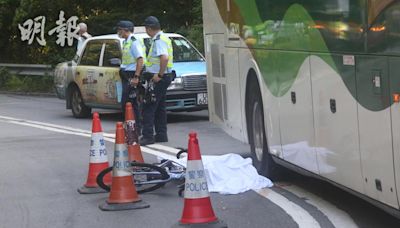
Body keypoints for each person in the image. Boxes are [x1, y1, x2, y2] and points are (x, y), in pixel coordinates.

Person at [139, 16, 174, 146]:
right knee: (160, 107)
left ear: (149, 28)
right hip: (165, 77)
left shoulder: (159, 40)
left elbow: (164, 58)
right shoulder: (163, 38)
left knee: (148, 106)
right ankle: (161, 134)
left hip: (159, 78)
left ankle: (147, 136)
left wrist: (159, 75)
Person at [116, 20, 146, 132]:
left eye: (120, 30)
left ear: (125, 30)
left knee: (131, 103)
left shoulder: (134, 42)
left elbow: (140, 59)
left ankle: (136, 128)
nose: (118, 32)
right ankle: (131, 127)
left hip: (132, 75)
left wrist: (136, 76)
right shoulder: (126, 42)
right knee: (127, 102)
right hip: (126, 75)